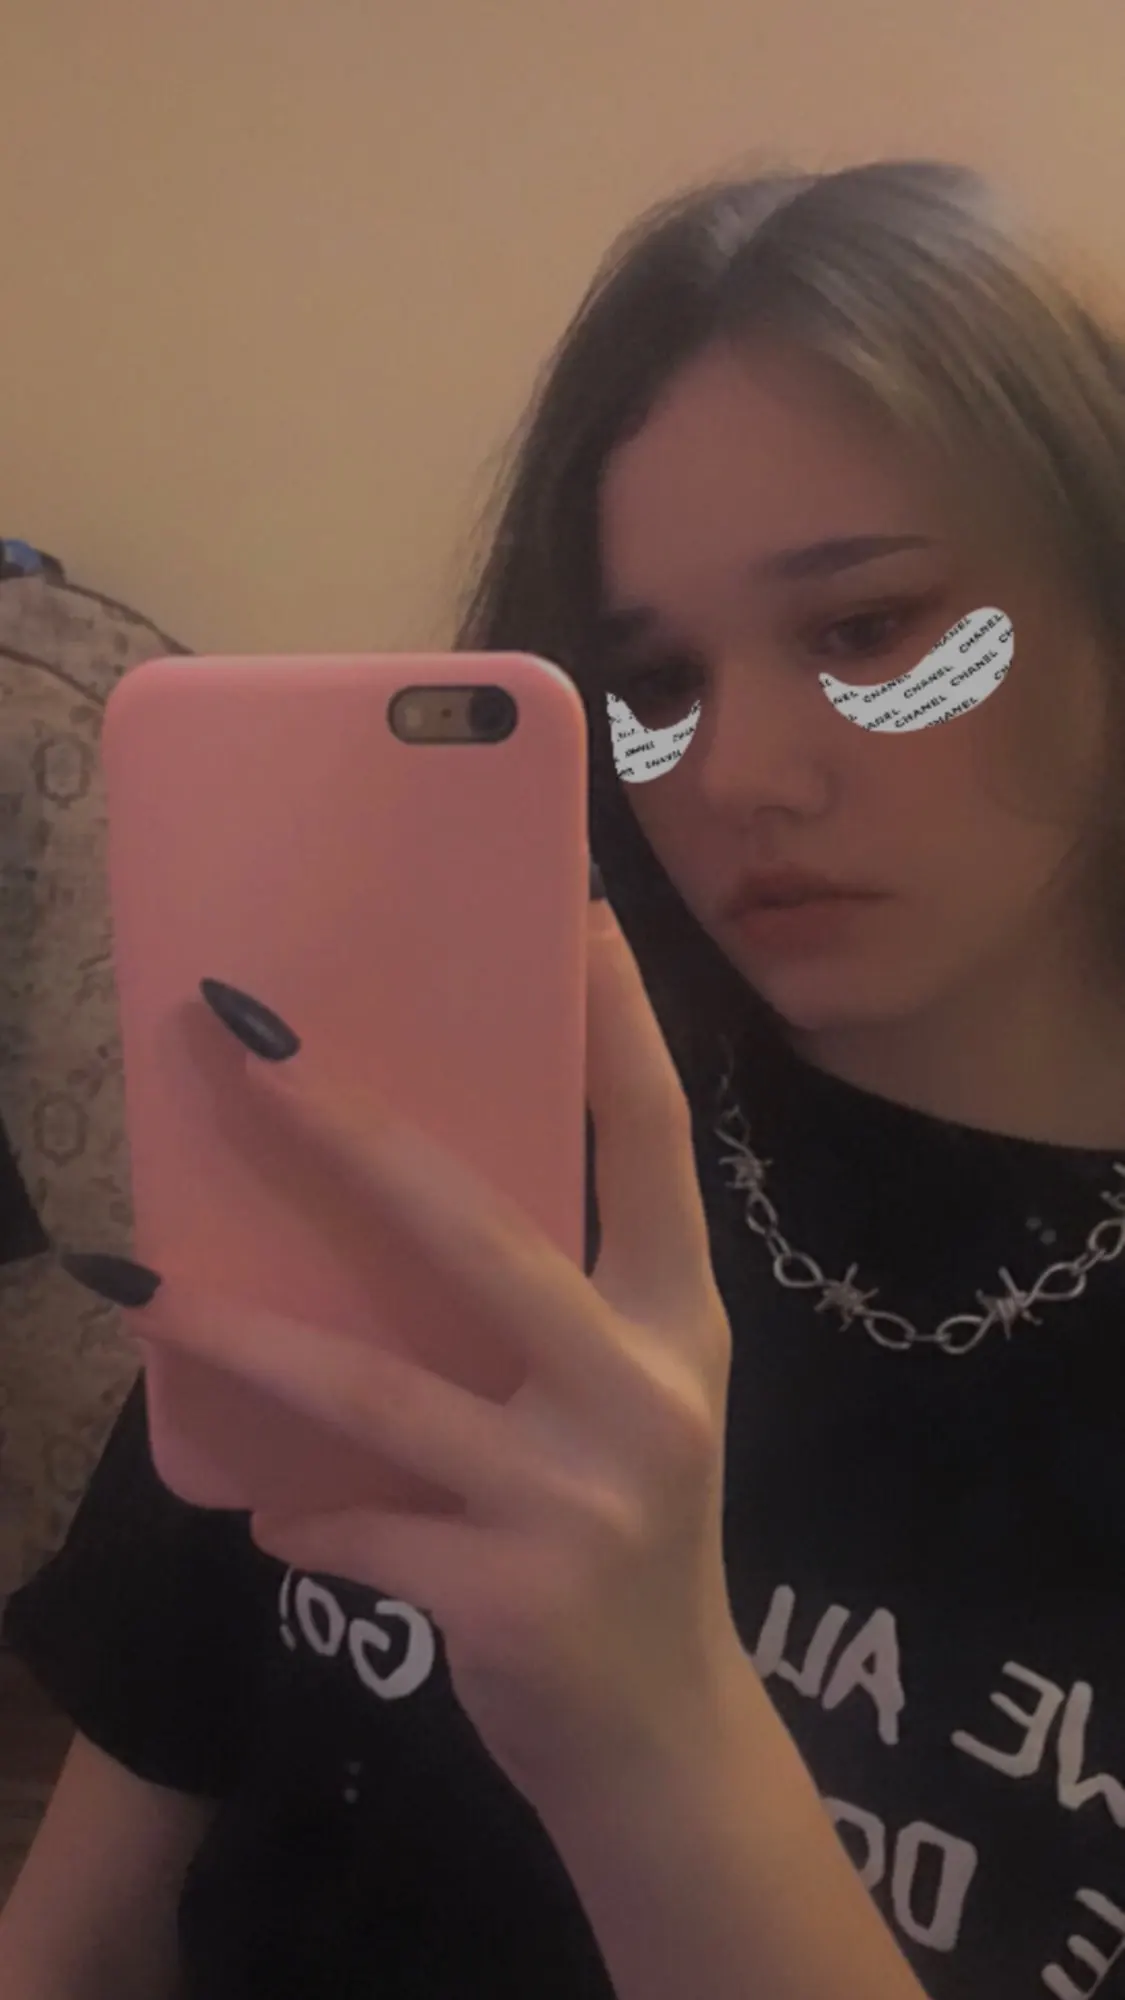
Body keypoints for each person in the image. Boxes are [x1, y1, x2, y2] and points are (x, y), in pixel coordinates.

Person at [3, 157, 1125, 2000]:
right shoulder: (465, 1165)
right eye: (651, 682)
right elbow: (83, 1932)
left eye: (867, 632)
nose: (736, 772)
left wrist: (657, 1736)